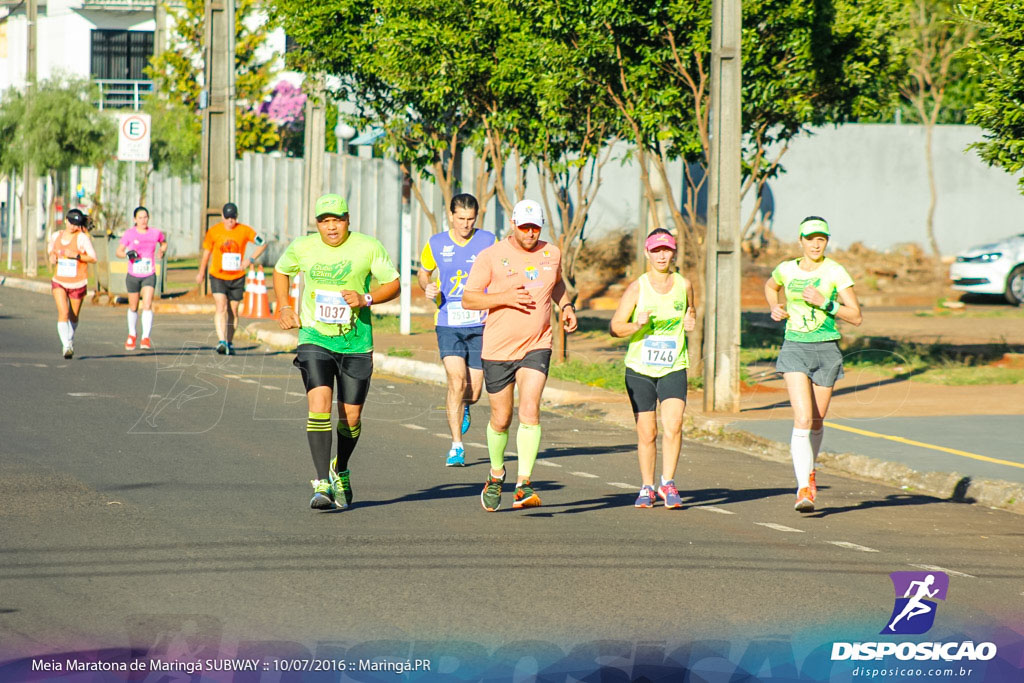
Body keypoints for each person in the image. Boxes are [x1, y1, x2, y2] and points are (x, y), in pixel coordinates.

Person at [273, 193, 401, 510]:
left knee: (351, 417)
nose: (332, 227)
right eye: (325, 221)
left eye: (338, 220)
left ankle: (339, 467)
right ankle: (321, 484)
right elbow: (281, 270)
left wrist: (365, 298)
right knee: (319, 402)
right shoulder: (302, 247)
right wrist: (285, 305)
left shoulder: (368, 246)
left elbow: (394, 283)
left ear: (348, 220)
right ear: (317, 223)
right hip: (315, 336)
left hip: (356, 342)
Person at [461, 199, 578, 511]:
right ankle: (496, 475)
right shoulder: (491, 256)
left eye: (535, 227)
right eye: (524, 226)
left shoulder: (552, 253)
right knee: (501, 418)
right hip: (498, 349)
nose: (530, 232)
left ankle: (524, 483)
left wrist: (565, 305)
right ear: (513, 224)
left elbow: (556, 283)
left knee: (530, 409)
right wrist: (504, 298)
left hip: (537, 344)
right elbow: (469, 300)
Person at [764, 216, 862, 512]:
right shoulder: (786, 269)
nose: (816, 244)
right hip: (794, 347)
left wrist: (825, 302)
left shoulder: (835, 271)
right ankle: (803, 487)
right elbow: (771, 286)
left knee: (817, 420)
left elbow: (855, 315)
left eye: (821, 239)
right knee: (803, 419)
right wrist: (774, 307)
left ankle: (810, 469)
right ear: (801, 241)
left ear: (827, 241)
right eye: (810, 238)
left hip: (826, 350)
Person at [609, 229, 696, 509]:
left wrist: (690, 320)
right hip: (640, 369)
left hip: (673, 366)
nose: (662, 255)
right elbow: (614, 327)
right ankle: (646, 486)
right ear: (647, 253)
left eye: (667, 250)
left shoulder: (684, 285)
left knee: (674, 425)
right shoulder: (638, 288)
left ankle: (668, 483)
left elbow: (690, 312)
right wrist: (637, 324)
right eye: (656, 250)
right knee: (648, 433)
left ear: (673, 253)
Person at [417, 193, 497, 467]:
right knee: (456, 380)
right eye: (461, 218)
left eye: (471, 219)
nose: (465, 224)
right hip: (448, 322)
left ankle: (464, 408)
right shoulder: (436, 243)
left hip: (480, 323)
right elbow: (423, 271)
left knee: (473, 393)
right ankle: (456, 447)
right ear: (451, 216)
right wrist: (425, 285)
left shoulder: (488, 241)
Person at [195, 202, 267, 355]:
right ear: (222, 216)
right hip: (218, 276)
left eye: (233, 217)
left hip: (237, 277)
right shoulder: (214, 231)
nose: (230, 221)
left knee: (233, 310)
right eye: (227, 217)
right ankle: (221, 341)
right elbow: (206, 253)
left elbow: (262, 243)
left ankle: (229, 341)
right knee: (221, 306)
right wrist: (201, 271)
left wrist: (250, 260)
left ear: (236, 217)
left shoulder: (244, 230)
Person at [47, 208, 97, 359]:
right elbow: (51, 252)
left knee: (73, 316)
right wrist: (52, 257)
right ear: (65, 221)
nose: (72, 226)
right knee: (63, 312)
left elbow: (93, 258)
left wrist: (76, 255)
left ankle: (69, 339)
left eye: (76, 224)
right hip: (59, 281)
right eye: (70, 222)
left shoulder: (82, 238)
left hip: (78, 282)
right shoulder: (56, 236)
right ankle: (67, 345)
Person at [116, 206, 167, 350]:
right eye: (140, 218)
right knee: (133, 306)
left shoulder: (155, 233)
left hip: (149, 273)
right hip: (133, 274)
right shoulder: (129, 234)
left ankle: (146, 337)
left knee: (147, 304)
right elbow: (118, 251)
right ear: (135, 219)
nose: (143, 220)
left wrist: (162, 251)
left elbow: (163, 243)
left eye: (145, 217)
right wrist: (127, 254)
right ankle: (132, 334)